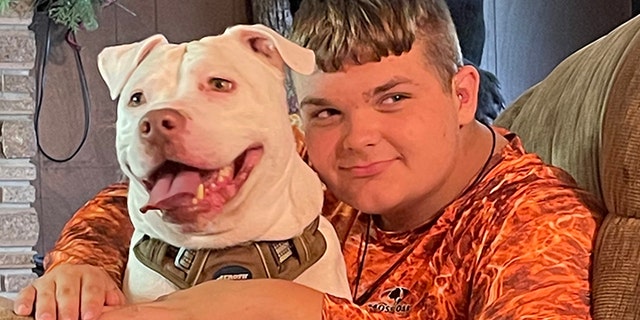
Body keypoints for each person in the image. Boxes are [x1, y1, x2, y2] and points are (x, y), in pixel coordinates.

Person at [15, 0, 602, 319]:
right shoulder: (304, 155)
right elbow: (130, 199)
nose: (356, 140)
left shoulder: (533, 219)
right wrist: (80, 268)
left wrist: (299, 312)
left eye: (393, 98)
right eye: (325, 111)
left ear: (462, 95)